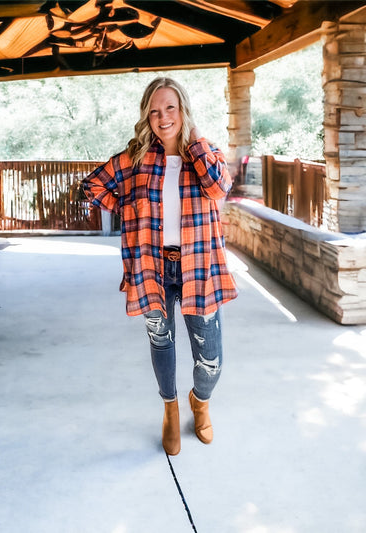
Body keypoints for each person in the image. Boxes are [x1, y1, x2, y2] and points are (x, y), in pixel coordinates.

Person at [83, 77, 238, 455]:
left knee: (211, 359)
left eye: (170, 107)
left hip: (198, 268)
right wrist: (130, 210)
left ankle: (199, 403)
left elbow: (219, 188)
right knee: (162, 344)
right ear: (146, 116)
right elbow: (93, 187)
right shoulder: (134, 160)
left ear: (183, 109)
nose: (162, 117)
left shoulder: (205, 153)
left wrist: (196, 141)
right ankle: (170, 408)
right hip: (153, 267)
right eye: (154, 110)